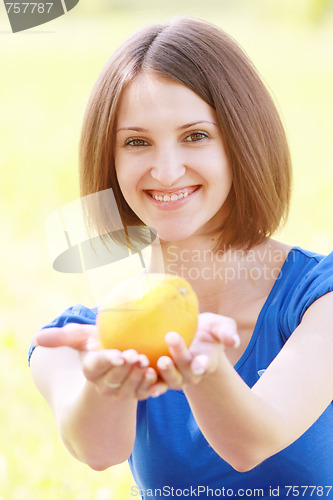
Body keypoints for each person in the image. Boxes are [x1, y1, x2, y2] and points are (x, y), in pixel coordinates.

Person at [29, 17, 333, 499]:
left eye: (195, 135)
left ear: (242, 142)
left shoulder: (320, 300)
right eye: (136, 142)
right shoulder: (74, 341)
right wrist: (107, 381)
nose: (166, 171)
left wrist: (205, 369)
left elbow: (252, 442)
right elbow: (98, 450)